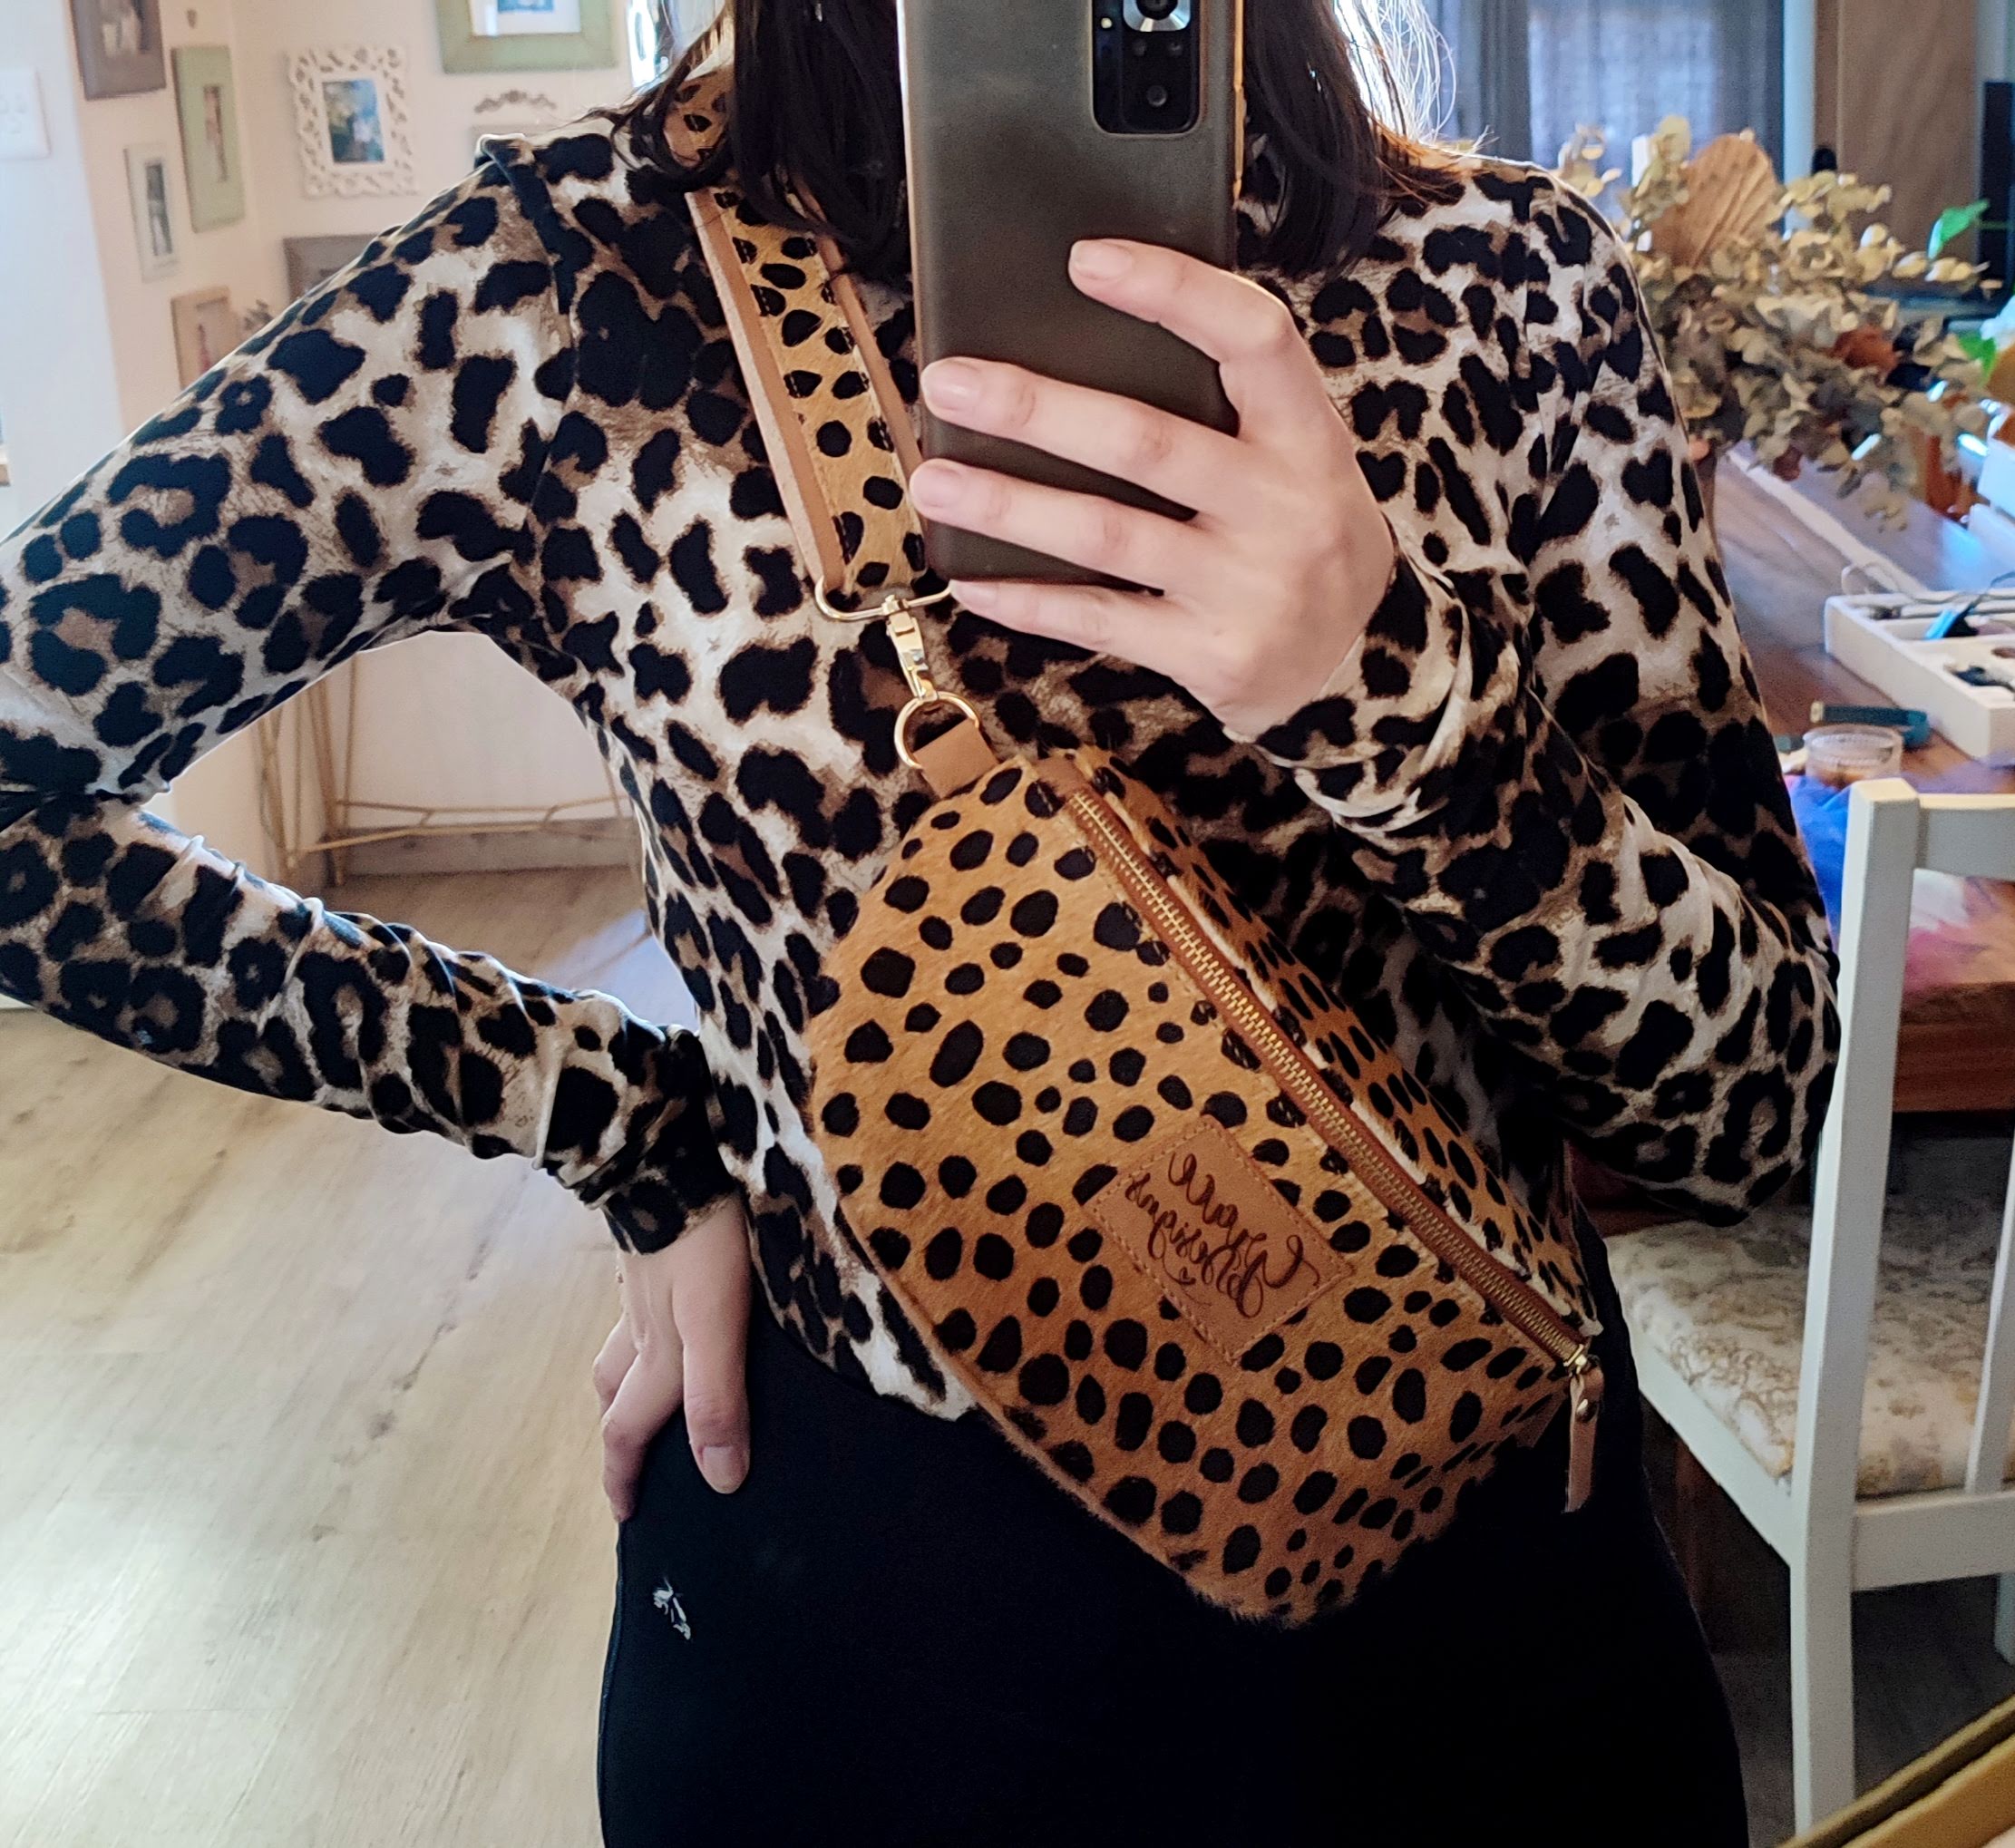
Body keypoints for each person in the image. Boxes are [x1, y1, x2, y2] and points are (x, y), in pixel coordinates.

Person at [0, 2, 1836, 1842]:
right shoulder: (565, 285)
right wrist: (606, 1114)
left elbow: (1745, 1114)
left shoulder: (1504, 276)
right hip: (871, 1635)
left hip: (1468, 1611)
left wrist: (1389, 697)